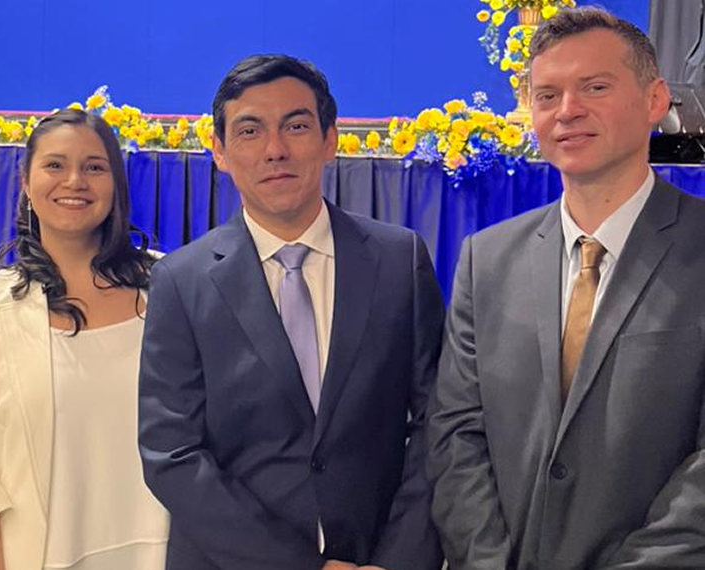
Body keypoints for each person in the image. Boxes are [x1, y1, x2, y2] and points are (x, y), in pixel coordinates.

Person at [138, 54, 444, 570]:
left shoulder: (398, 259)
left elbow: (437, 422)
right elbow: (172, 453)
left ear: (330, 140)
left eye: (296, 126)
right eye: (249, 131)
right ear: (219, 152)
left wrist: (397, 559)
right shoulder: (180, 281)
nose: (275, 149)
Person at [427, 7, 705, 570]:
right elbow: (456, 435)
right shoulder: (487, 260)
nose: (568, 110)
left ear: (655, 100)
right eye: (547, 95)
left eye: (595, 87)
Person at [0, 108, 166, 570]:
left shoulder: (172, 286)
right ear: (25, 183)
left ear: (116, 183)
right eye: (55, 165)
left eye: (94, 167)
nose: (74, 181)